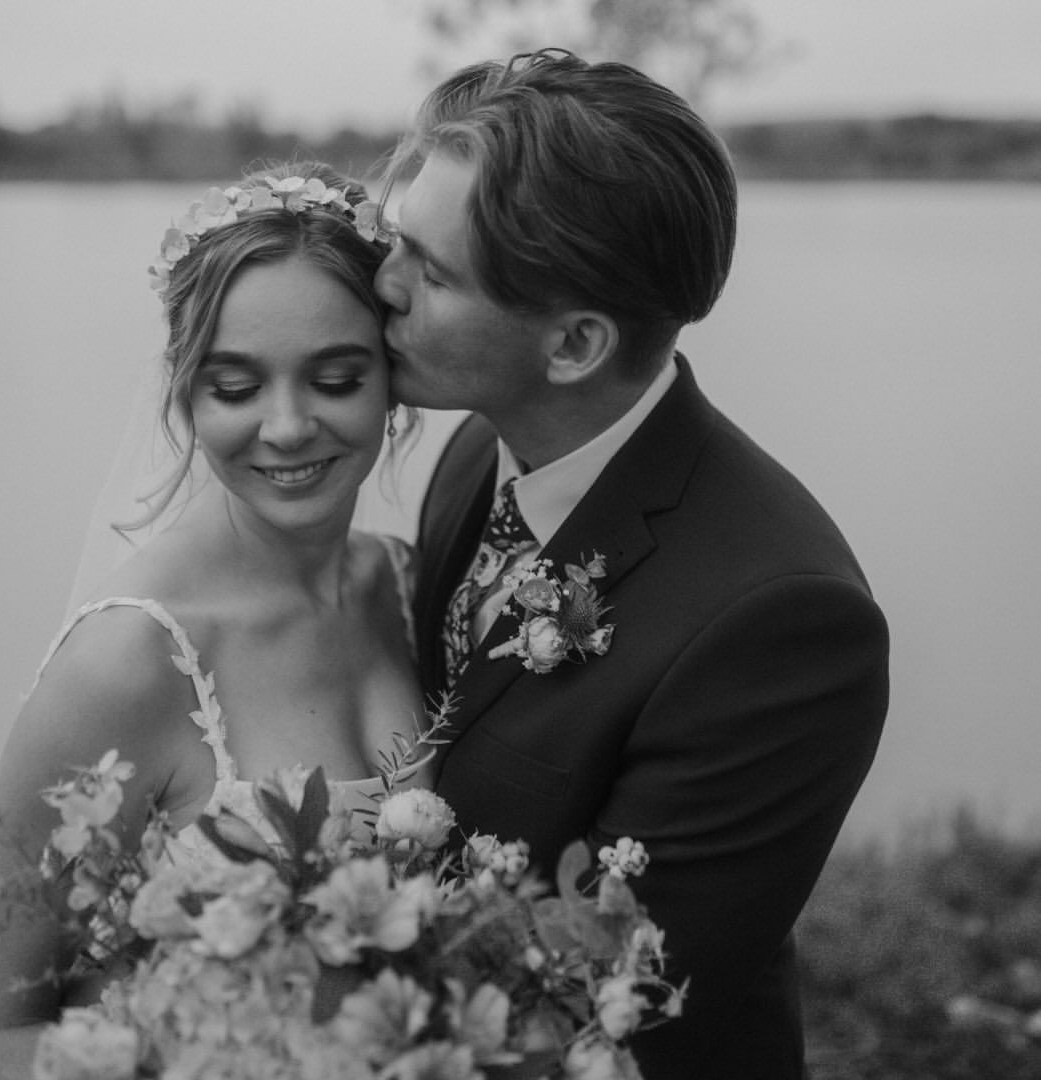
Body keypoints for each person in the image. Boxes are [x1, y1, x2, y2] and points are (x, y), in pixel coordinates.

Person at [374, 49, 890, 1079]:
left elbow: (615, 1013)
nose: (379, 285)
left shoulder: (782, 625)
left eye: (428, 272)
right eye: (396, 241)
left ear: (572, 345)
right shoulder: (478, 448)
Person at [0, 161, 424, 1080]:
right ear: (184, 392)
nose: (286, 428)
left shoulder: (404, 582)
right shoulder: (127, 662)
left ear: (391, 380)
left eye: (335, 378)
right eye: (235, 387)